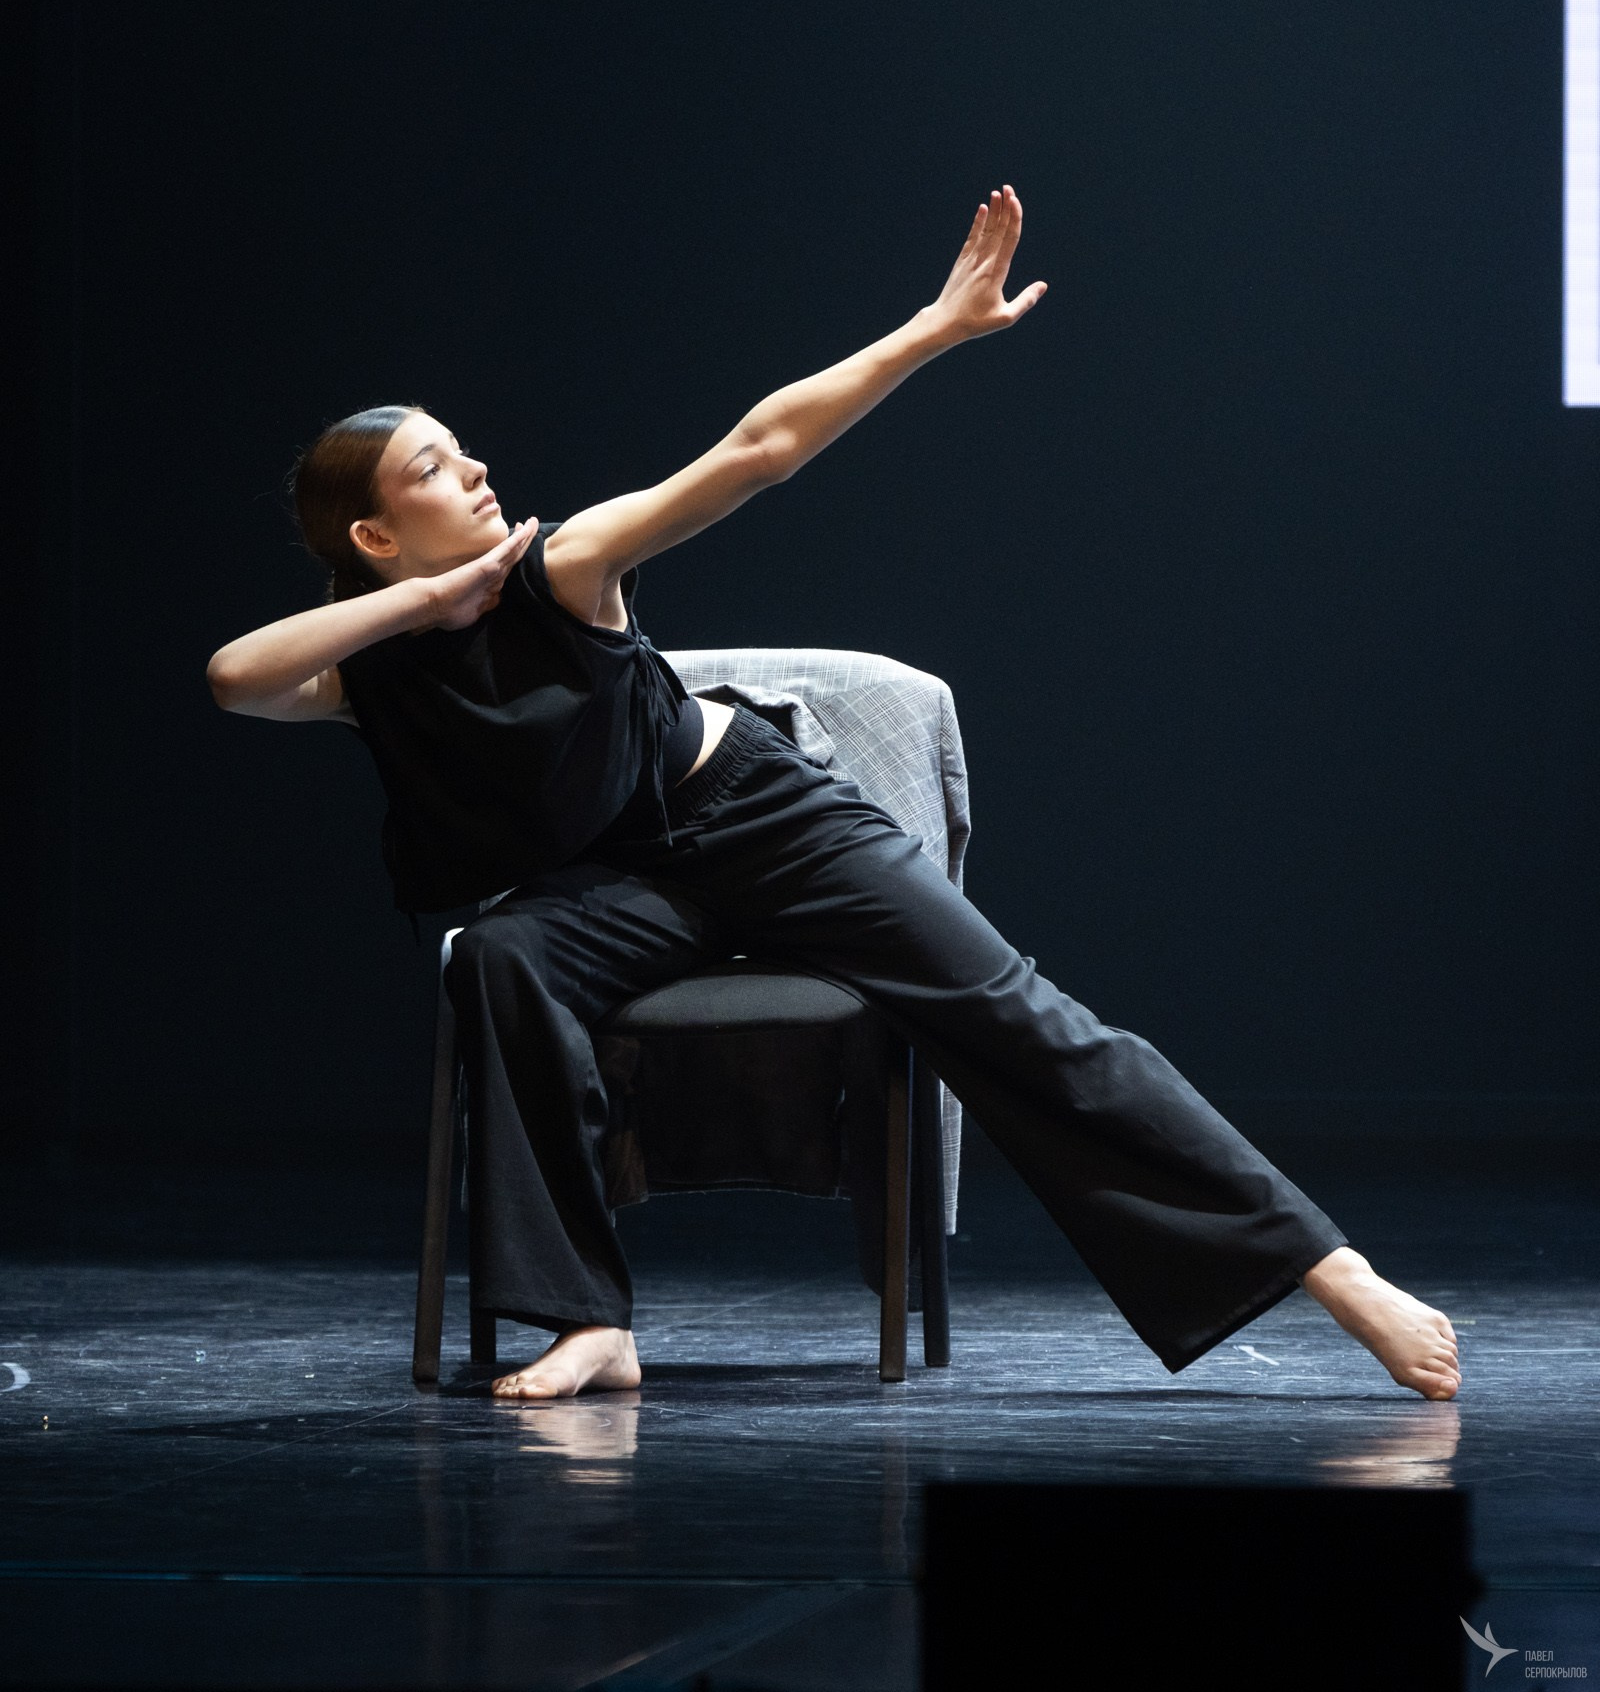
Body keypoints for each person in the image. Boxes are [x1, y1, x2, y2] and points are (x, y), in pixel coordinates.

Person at [207, 186, 1461, 1405]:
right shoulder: (369, 671)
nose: (478, 467)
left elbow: (758, 452)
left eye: (460, 446)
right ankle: (591, 1319)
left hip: (764, 822)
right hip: (625, 887)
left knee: (1016, 1016)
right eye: (436, 466)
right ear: (375, 536)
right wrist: (433, 600)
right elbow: (233, 678)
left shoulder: (564, 565)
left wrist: (931, 329)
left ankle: (1333, 1272)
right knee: (500, 956)